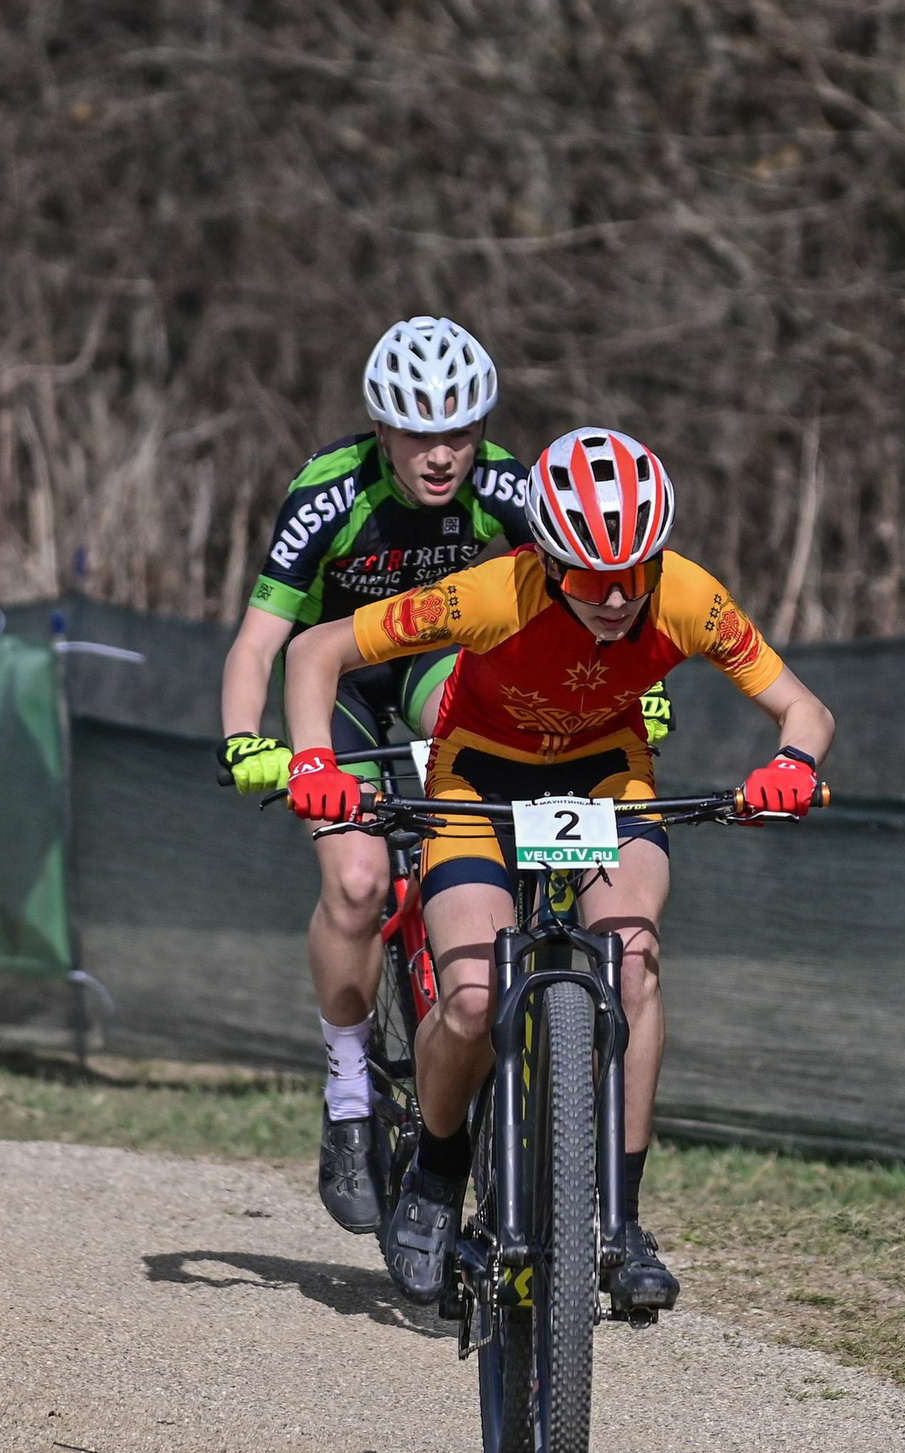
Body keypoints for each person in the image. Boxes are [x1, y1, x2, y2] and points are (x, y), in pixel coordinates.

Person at [279, 427, 834, 1310]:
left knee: (635, 962)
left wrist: (793, 765)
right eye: (586, 576)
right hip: (478, 775)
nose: (615, 598)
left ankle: (623, 1222)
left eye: (633, 574)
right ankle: (435, 1168)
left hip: (606, 774)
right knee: (468, 1001)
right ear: (545, 557)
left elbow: (802, 706)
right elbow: (316, 651)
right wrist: (315, 763)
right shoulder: (491, 594)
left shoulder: (686, 595)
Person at [217, 316, 534, 1236]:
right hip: (340, 678)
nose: (441, 455)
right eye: (417, 432)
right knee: (356, 881)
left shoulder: (507, 488)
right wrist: (246, 741)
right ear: (381, 428)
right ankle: (350, 1090)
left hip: (435, 662)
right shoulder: (327, 494)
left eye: (460, 431)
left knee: (493, 773)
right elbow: (259, 642)